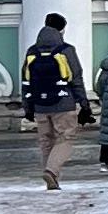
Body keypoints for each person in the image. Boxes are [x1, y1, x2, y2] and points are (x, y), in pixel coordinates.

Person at [19, 13, 90, 192]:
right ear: (61, 29)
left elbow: (26, 80)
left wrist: (27, 106)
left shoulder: (32, 51)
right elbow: (76, 77)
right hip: (63, 102)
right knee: (66, 137)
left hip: (40, 105)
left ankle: (52, 179)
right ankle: (51, 171)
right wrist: (84, 103)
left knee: (46, 141)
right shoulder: (66, 50)